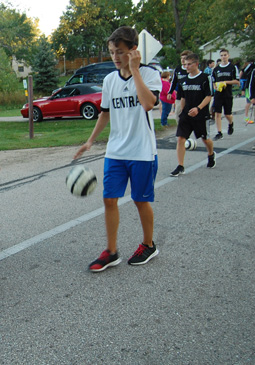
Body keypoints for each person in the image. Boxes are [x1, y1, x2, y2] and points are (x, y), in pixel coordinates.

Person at [73, 26, 162, 272]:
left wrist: (134, 71)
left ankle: (149, 244)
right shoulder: (110, 80)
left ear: (134, 51)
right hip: (116, 151)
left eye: (120, 52)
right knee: (109, 199)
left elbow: (147, 104)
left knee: (140, 201)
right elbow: (105, 113)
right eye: (112, 52)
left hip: (142, 151)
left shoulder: (149, 75)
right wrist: (90, 141)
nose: (115, 57)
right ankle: (111, 252)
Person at [170, 53, 215, 177]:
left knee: (205, 139)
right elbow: (182, 97)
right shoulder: (183, 81)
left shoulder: (206, 78)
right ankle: (180, 166)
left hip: (201, 114)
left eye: (189, 64)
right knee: (180, 139)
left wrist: (198, 108)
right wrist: (182, 113)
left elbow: (209, 96)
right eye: (185, 64)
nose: (187, 66)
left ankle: (211, 154)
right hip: (187, 115)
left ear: (196, 64)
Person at [212, 49, 240, 140]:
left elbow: (237, 81)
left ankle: (230, 123)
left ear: (228, 55)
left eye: (225, 55)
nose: (223, 57)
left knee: (228, 114)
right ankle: (219, 132)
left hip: (228, 94)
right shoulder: (216, 69)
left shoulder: (232, 67)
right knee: (217, 113)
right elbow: (213, 81)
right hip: (218, 94)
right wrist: (215, 86)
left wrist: (225, 82)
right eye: (222, 55)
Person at [168, 50, 193, 120]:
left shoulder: (192, 69)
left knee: (189, 114)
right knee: (178, 113)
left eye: (185, 58)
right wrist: (170, 92)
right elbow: (174, 81)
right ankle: (181, 129)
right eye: (182, 58)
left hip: (190, 94)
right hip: (179, 95)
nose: (183, 60)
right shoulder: (178, 69)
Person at [240, 57, 255, 122]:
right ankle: (246, 117)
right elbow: (242, 71)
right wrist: (240, 80)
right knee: (249, 102)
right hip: (249, 86)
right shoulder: (251, 65)